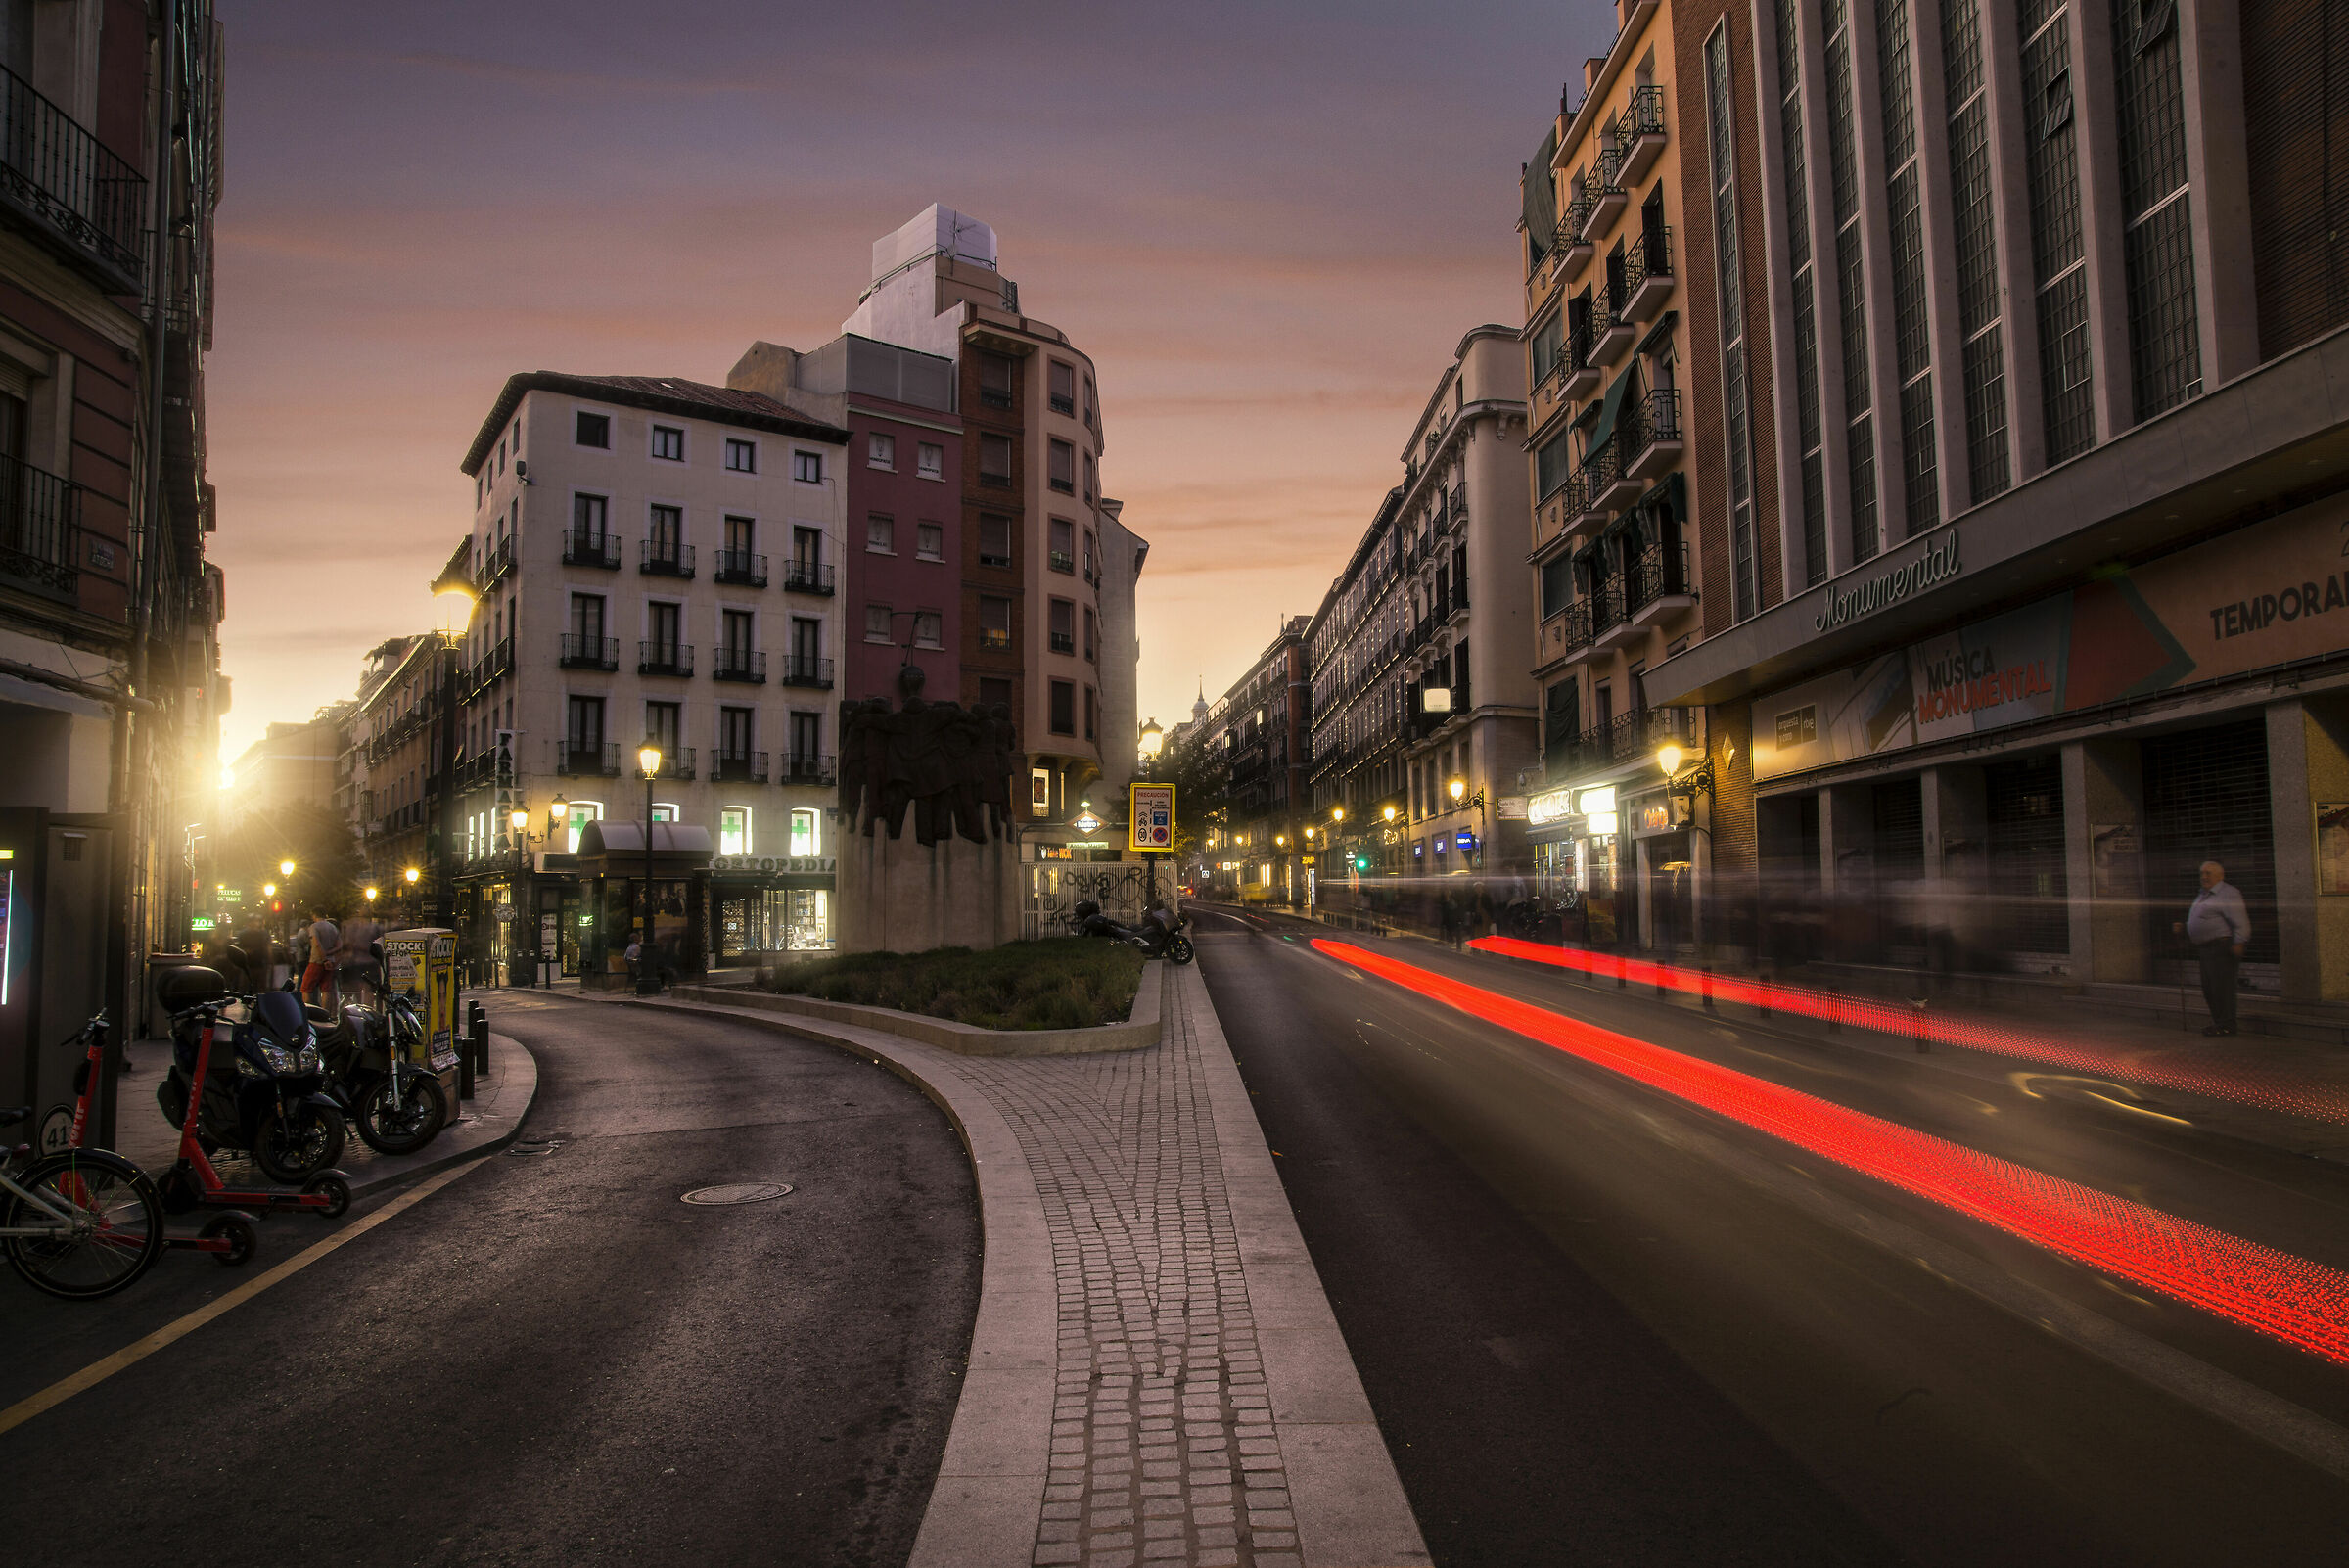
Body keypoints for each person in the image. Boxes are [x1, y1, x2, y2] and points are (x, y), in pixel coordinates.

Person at [2173, 860, 2249, 1037]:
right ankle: (2219, 1022)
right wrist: (2185, 927)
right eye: (2202, 873)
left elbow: (2241, 921)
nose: (2204, 877)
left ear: (2220, 876)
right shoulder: (2204, 895)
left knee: (2222, 988)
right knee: (2210, 988)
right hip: (2207, 949)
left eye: (2208, 873)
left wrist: (2239, 942)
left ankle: (2227, 1024)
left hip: (2221, 948)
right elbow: (2205, 920)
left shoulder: (2228, 894)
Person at [300, 907, 341, 1009]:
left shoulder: (314, 927)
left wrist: (324, 958)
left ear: (314, 915)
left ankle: (308, 1013)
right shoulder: (332, 927)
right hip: (330, 962)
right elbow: (339, 945)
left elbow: (317, 944)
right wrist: (328, 954)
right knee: (326, 990)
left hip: (317, 961)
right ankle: (325, 1013)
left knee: (306, 988)